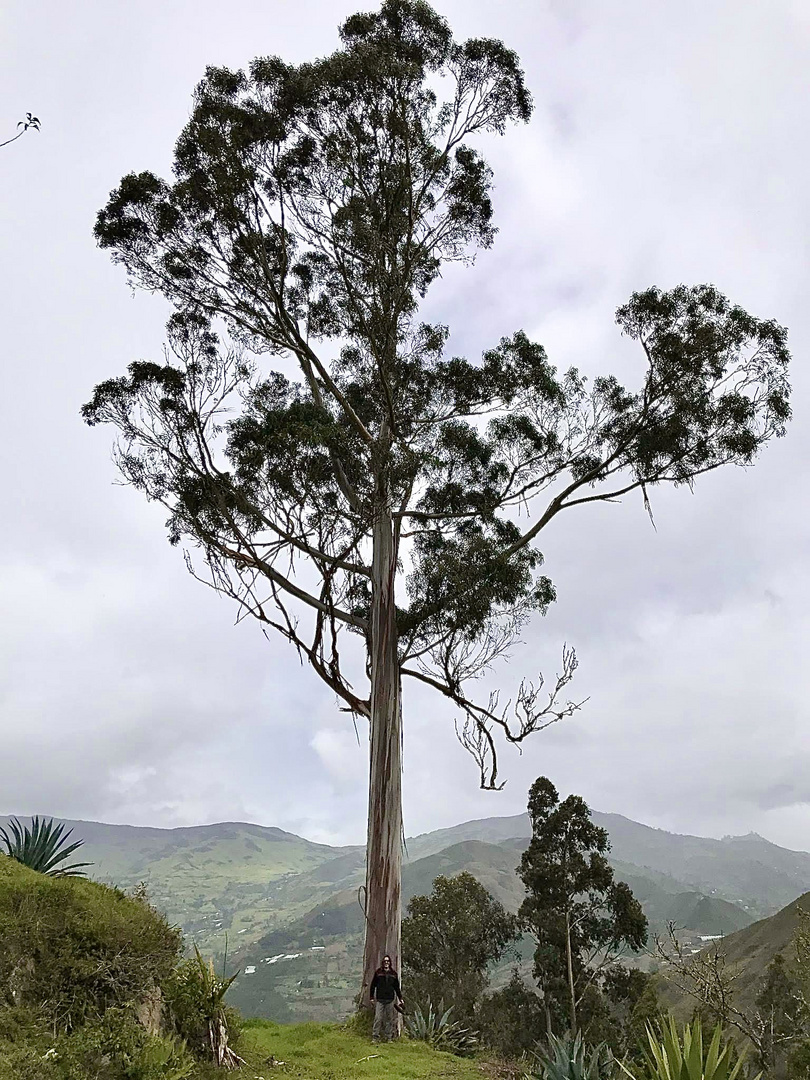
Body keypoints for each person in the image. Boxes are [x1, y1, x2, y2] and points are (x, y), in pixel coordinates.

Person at [369, 954, 403, 1042]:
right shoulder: (378, 973)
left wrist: (400, 998)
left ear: (390, 963)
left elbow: (397, 988)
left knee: (389, 1019)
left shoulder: (393, 974)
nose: (386, 963)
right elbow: (373, 985)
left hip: (390, 1000)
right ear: (382, 963)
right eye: (385, 961)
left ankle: (389, 1037)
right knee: (378, 1018)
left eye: (388, 961)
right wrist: (371, 997)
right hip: (380, 999)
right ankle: (375, 1037)